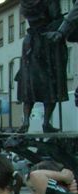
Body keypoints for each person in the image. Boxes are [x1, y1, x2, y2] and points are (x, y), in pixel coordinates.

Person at [16, 0, 69, 132]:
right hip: (47, 41)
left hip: (30, 42)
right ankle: (46, 123)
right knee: (51, 85)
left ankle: (26, 121)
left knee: (29, 85)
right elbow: (56, 18)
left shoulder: (25, 3)